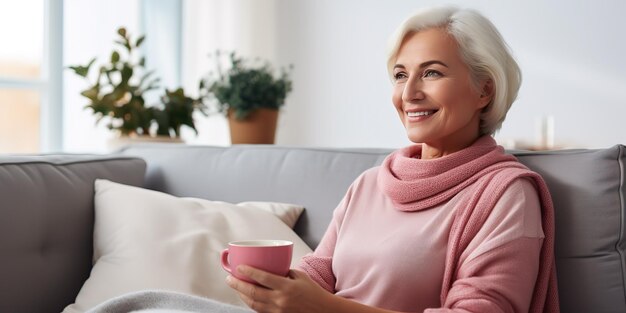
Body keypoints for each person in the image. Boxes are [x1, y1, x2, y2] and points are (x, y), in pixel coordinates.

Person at [226, 6, 560, 313]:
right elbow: (321, 269)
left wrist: (323, 308)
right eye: (400, 75)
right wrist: (278, 290)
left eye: (431, 73)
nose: (409, 93)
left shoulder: (506, 194)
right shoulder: (370, 183)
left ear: (484, 90)